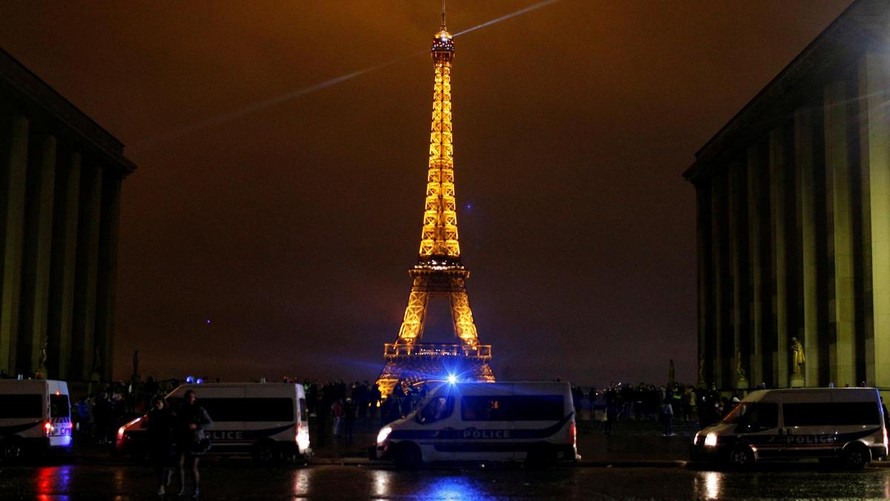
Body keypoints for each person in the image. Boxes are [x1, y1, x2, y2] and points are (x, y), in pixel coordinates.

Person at [175, 390, 212, 498]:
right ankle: (181, 488)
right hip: (182, 439)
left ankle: (196, 489)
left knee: (192, 467)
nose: (190, 399)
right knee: (179, 464)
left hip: (195, 440)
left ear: (194, 398)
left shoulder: (199, 410)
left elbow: (209, 423)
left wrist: (197, 426)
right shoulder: (181, 409)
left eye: (192, 397)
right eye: (188, 397)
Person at [145, 396, 175, 495]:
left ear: (163, 403)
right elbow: (149, 426)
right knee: (157, 465)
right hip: (155, 441)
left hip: (165, 441)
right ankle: (162, 482)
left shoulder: (168, 413)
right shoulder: (151, 414)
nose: (157, 405)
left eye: (159, 403)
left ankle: (162, 484)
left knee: (161, 463)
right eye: (155, 403)